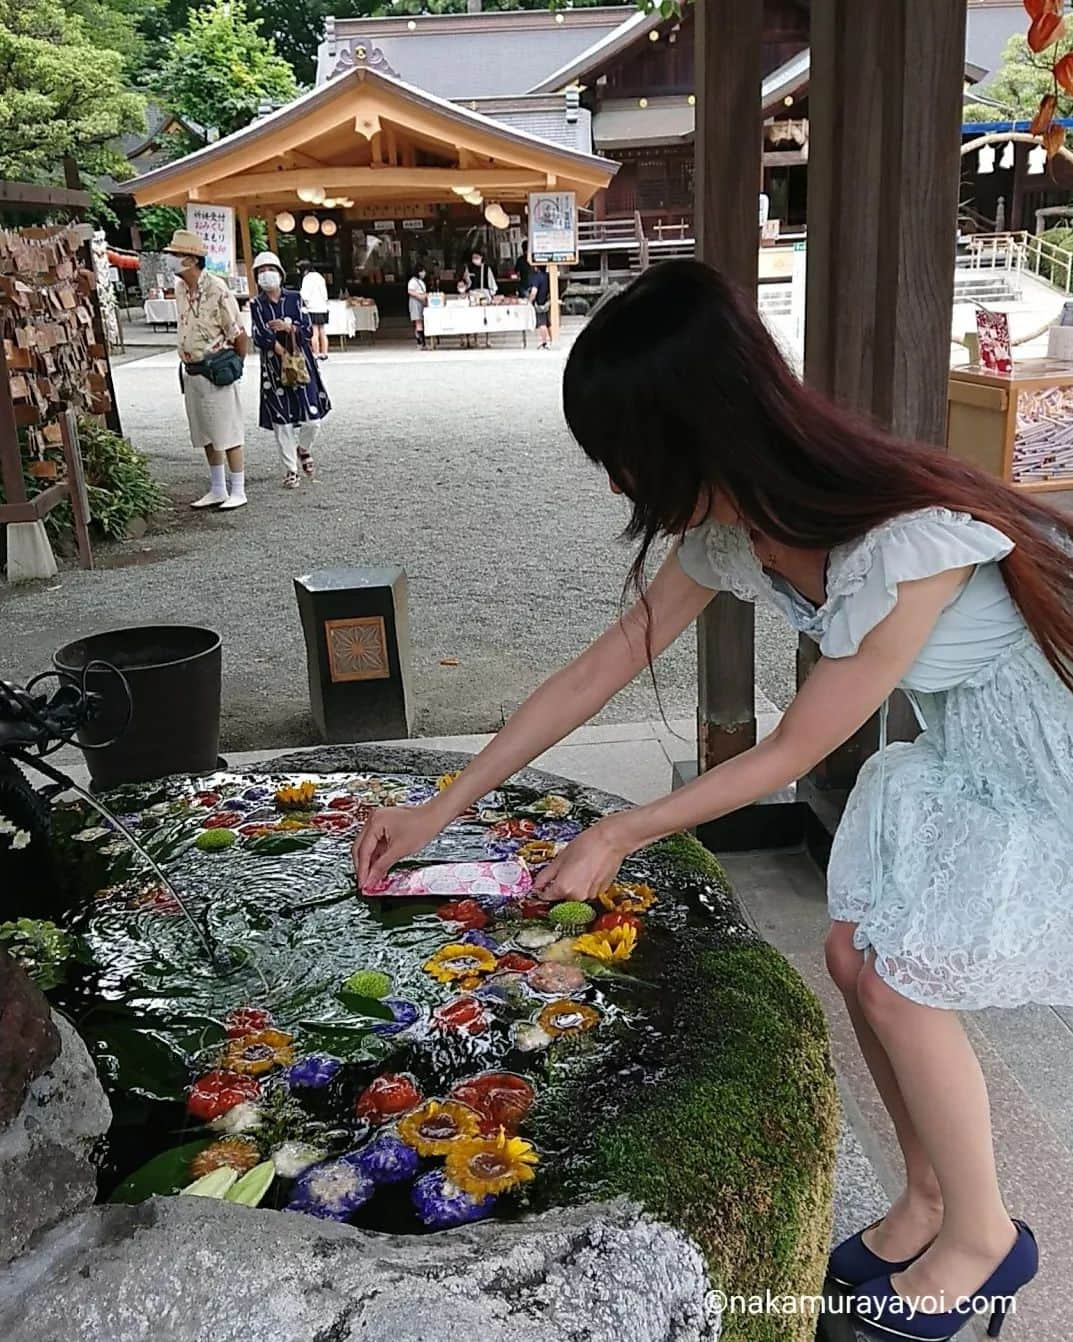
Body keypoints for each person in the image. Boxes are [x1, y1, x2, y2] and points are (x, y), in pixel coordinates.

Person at [356, 260, 1071, 1339]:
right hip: (971, 754)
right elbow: (605, 661)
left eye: (624, 458)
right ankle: (926, 1196)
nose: (615, 486)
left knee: (891, 986)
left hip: (1045, 767)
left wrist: (621, 830)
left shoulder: (904, 542)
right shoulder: (734, 527)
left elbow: (791, 745)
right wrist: (438, 808)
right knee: (849, 955)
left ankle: (986, 1235)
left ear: (696, 433)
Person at [165, 228, 249, 511]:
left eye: (175, 256)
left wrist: (237, 363)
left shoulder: (217, 289)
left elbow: (237, 332)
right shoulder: (180, 289)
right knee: (205, 432)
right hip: (192, 367)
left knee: (228, 430)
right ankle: (217, 487)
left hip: (216, 366)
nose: (171, 261)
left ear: (190, 259)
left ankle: (238, 488)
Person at [249, 252, 331, 490]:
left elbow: (307, 329)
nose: (266, 274)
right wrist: (279, 349)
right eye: (261, 270)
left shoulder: (295, 298)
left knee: (312, 418)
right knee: (281, 420)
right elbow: (260, 334)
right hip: (274, 366)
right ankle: (290, 469)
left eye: (270, 269)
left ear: (280, 273)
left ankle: (303, 448)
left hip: (301, 362)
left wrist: (288, 327)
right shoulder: (256, 304)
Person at [298, 259, 330, 360]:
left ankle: (316, 353)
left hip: (312, 307)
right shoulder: (320, 277)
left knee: (314, 331)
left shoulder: (307, 279)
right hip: (322, 307)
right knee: (322, 331)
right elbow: (325, 293)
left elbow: (304, 295)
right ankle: (325, 353)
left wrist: (304, 304)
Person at [527, 263, 551, 349]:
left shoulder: (536, 277)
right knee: (547, 323)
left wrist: (529, 301)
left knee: (541, 324)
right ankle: (549, 340)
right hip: (546, 301)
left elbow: (534, 292)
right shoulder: (547, 276)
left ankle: (545, 341)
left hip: (539, 303)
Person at [407, 263, 429, 348]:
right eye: (422, 271)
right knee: (418, 321)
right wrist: (419, 296)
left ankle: (422, 341)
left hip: (421, 302)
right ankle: (420, 342)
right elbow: (410, 291)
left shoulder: (420, 281)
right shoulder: (412, 281)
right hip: (415, 302)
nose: (424, 273)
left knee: (421, 321)